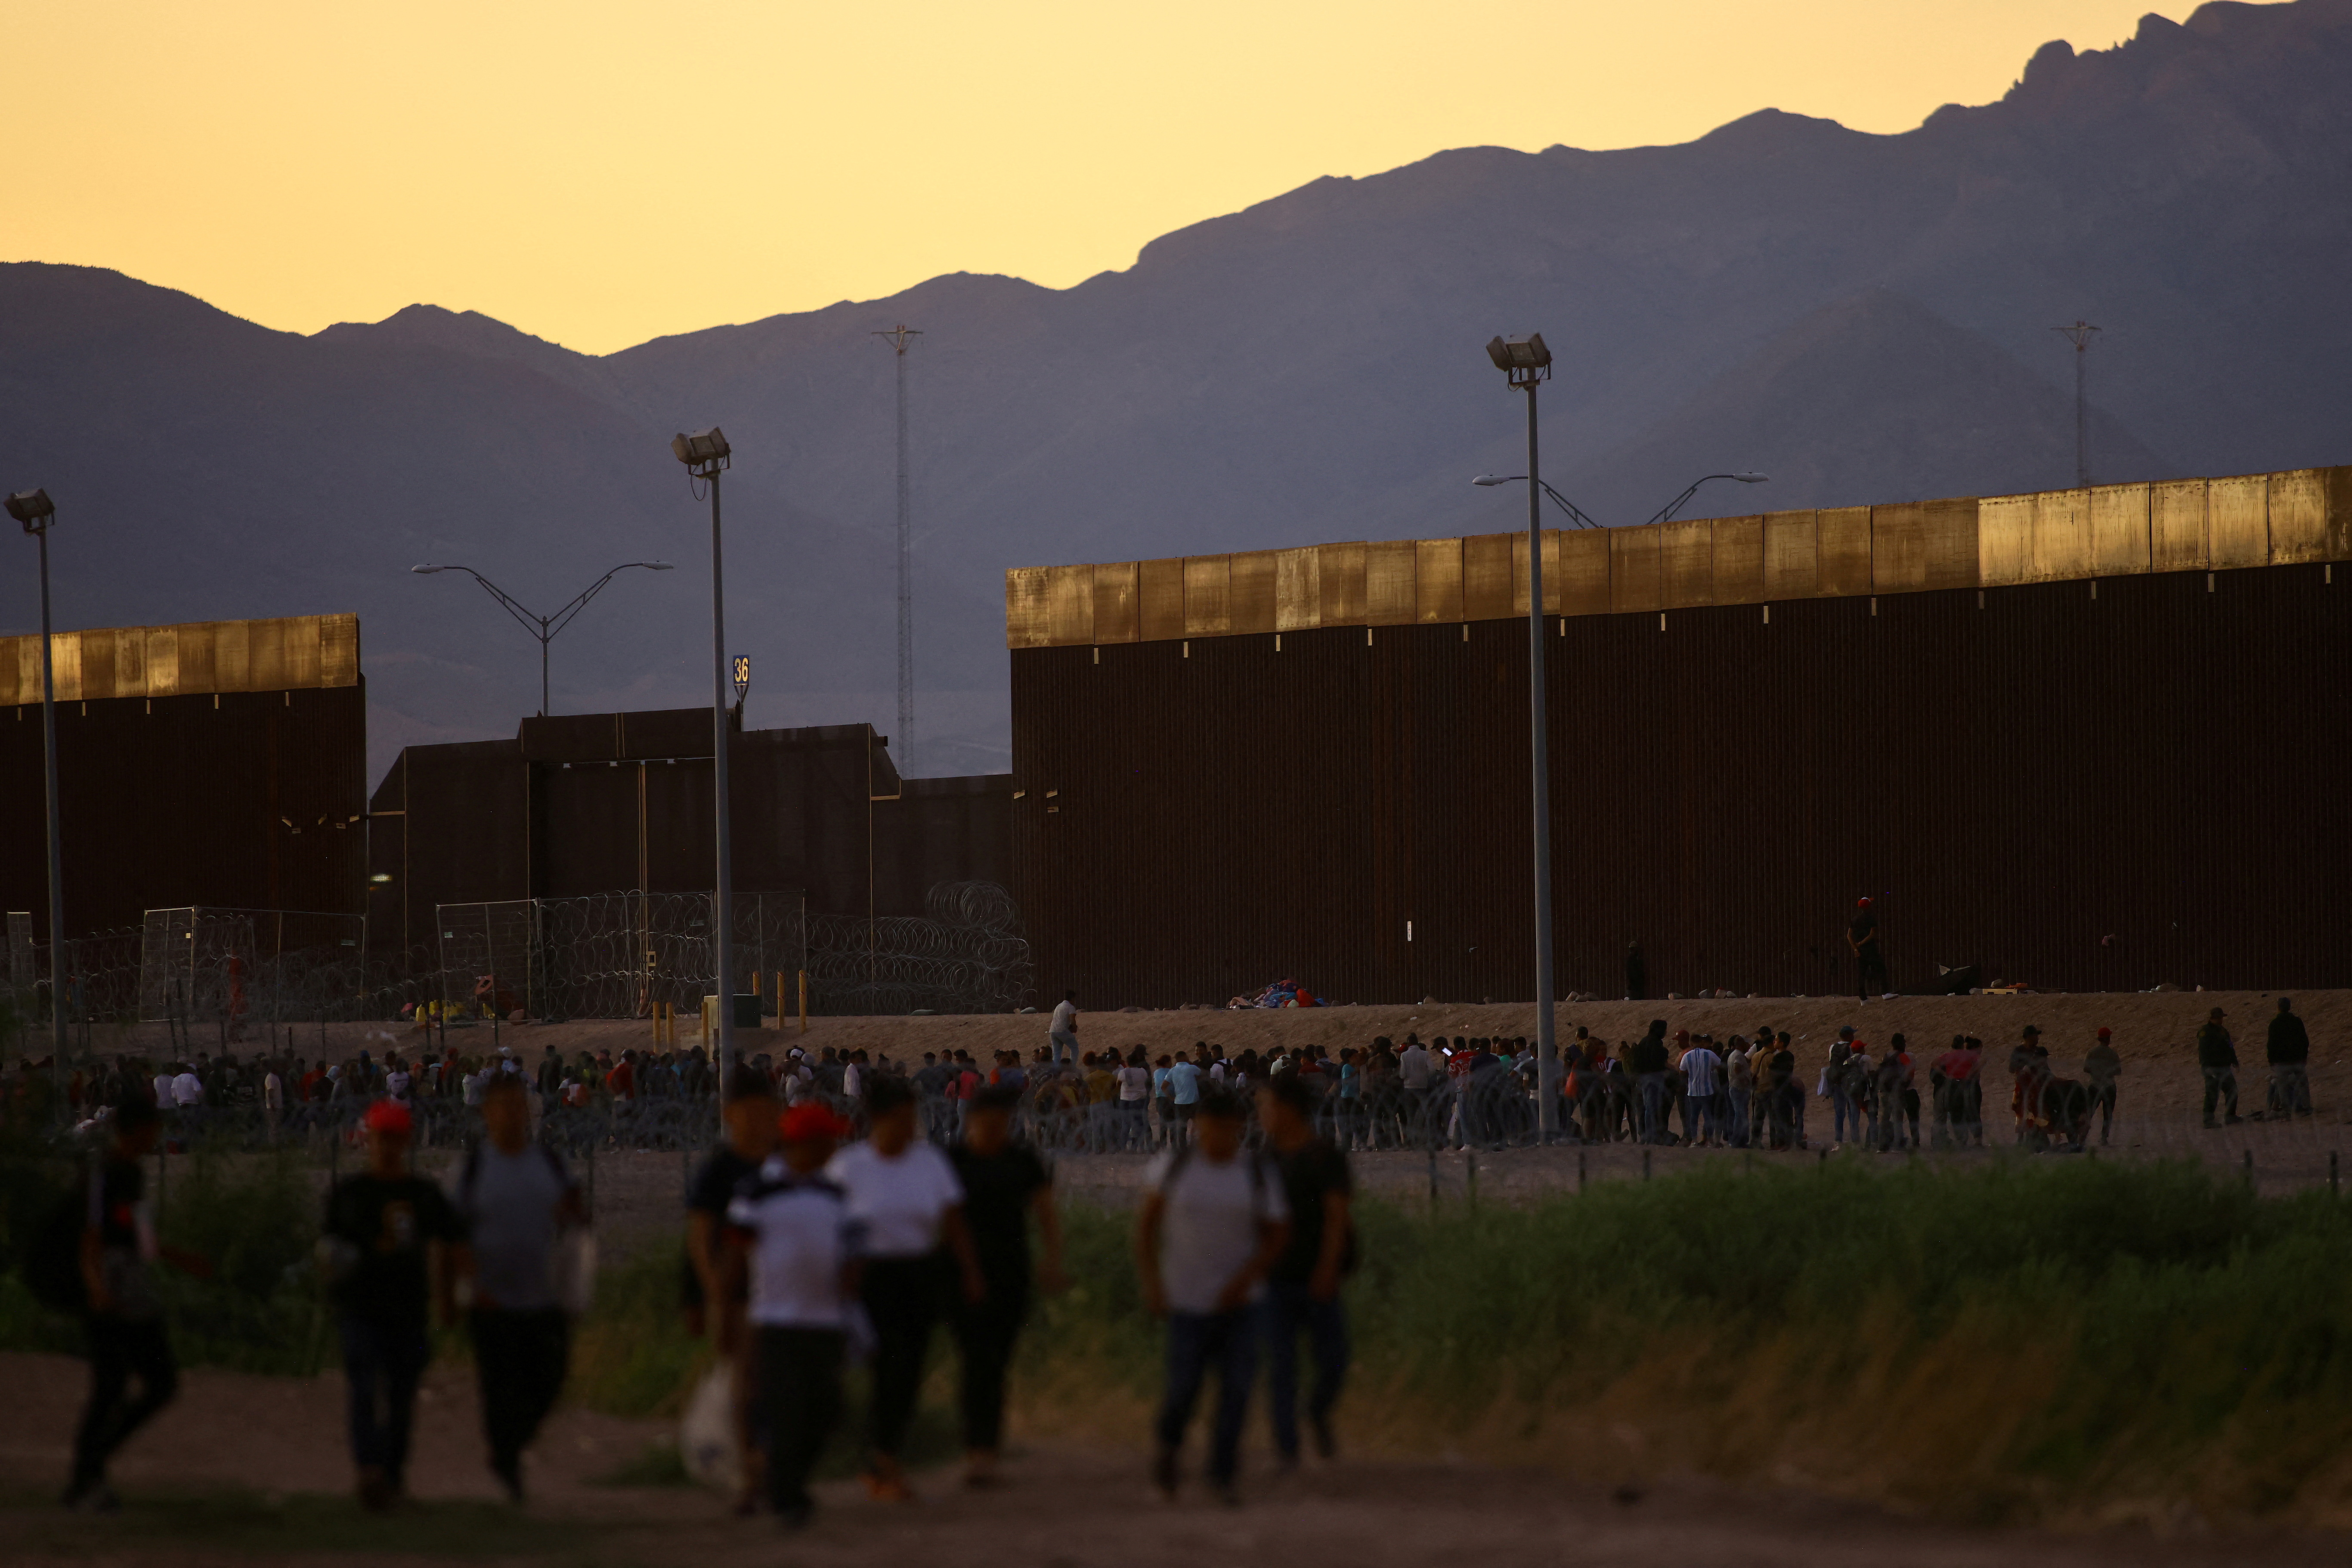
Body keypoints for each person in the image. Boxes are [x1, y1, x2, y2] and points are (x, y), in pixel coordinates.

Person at [826, 1076, 986, 1501]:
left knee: (907, 1370)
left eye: (910, 1117)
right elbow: (826, 1227)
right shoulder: (848, 1167)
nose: (908, 1126)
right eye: (899, 1118)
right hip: (866, 1279)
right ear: (877, 1119)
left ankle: (883, 1457)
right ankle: (872, 1454)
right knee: (878, 1370)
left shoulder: (929, 1162)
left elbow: (954, 1222)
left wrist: (970, 1272)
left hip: (918, 1274)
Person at [1136, 1089, 1289, 1505]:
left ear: (1240, 1129)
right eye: (1211, 1126)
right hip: (1187, 1300)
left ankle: (1221, 1475)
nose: (1219, 1135)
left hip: (1241, 1303)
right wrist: (1153, 1283)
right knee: (1184, 1387)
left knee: (1237, 1390)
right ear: (1198, 1126)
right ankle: (1168, 1450)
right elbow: (1146, 1227)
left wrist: (1247, 1278)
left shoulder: (1255, 1172)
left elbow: (1277, 1235)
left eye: (1228, 1128)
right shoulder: (1174, 1167)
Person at [62, 1098, 208, 1512]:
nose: (158, 1136)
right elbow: (90, 1236)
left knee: (157, 1383)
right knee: (111, 1386)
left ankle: (93, 1465)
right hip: (108, 1291)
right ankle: (86, 1477)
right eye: (153, 1128)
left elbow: (142, 1240)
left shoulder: (132, 1174)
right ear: (138, 1129)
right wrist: (96, 1288)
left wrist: (184, 1259)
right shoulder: (105, 1174)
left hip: (132, 1291)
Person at [322, 1098, 467, 1509]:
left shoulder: (422, 1194)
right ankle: (370, 1469)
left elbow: (449, 1242)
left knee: (402, 1397)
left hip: (408, 1310)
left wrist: (449, 1298)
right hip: (360, 1309)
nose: (386, 1146)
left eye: (394, 1138)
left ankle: (393, 1474)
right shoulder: (351, 1193)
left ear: (405, 1141)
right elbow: (329, 1249)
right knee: (365, 1388)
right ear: (369, 1139)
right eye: (380, 1138)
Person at [725, 1102, 860, 1529]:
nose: (836, 1146)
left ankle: (789, 1483)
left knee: (826, 1410)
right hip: (776, 1321)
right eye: (829, 1139)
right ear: (809, 1143)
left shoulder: (835, 1193)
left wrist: (850, 1290)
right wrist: (731, 1313)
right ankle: (788, 1497)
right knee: (786, 1411)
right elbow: (735, 1256)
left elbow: (853, 1253)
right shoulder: (756, 1192)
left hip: (826, 1321)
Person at [452, 1072, 583, 1501]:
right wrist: (469, 1286)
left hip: (543, 1298)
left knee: (549, 1377)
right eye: (502, 1106)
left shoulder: (548, 1164)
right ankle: (506, 1459)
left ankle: (511, 1446)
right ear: (487, 1112)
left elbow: (573, 1222)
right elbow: (455, 1236)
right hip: (492, 1301)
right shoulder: (474, 1168)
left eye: (518, 1105)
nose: (511, 1114)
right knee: (500, 1386)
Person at [947, 1084, 1066, 1487]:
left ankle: (986, 1449)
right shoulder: (954, 1160)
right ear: (972, 1122)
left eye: (1002, 1122)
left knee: (997, 1361)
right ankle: (977, 1450)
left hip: (1011, 1273)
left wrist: (1053, 1260)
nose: (995, 1129)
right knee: (976, 1360)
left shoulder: (1023, 1159)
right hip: (962, 1275)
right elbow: (943, 1219)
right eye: (987, 1122)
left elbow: (1046, 1212)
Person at [1256, 1076, 1352, 1468]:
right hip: (1275, 1278)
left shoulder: (1322, 1156)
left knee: (1334, 1359)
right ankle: (1287, 1449)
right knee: (1281, 1367)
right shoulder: (1266, 1158)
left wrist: (1328, 1267)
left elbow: (1337, 1217)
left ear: (1289, 1109)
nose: (1262, 1115)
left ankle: (1317, 1411)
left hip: (1317, 1273)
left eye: (1268, 1106)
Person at [2265, 997, 2312, 1118]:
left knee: (2283, 1087)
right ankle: (2307, 1107)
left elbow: (2271, 1045)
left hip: (2282, 1061)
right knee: (2303, 1084)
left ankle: (2286, 1111)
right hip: (2297, 1059)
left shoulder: (2275, 1024)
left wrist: (2271, 1060)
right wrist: (2304, 1056)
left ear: (2279, 1008)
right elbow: (2304, 1041)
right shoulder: (2297, 1022)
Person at [2197, 1007, 2241, 1128]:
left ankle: (2230, 1116)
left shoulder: (2222, 1031)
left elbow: (2229, 1047)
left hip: (2224, 1067)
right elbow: (2204, 1051)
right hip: (2212, 1068)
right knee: (2212, 1094)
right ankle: (2208, 1120)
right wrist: (2207, 1067)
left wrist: (2234, 1061)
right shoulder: (2205, 1032)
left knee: (2232, 1090)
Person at [1678, 1034, 1723, 1147]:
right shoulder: (1709, 1054)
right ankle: (1711, 1141)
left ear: (1692, 1043)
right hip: (1707, 1090)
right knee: (1708, 1116)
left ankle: (1694, 1140)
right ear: (1701, 1042)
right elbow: (1719, 1064)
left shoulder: (1687, 1056)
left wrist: (1687, 1082)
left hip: (1693, 1091)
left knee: (1694, 1117)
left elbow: (1682, 1071)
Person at [2084, 1028, 2122, 1145]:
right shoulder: (2113, 1054)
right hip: (2109, 1086)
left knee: (2089, 1113)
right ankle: (2104, 1138)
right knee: (2108, 1114)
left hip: (2094, 1086)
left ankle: (2083, 1137)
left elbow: (2086, 1069)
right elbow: (2118, 1071)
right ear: (2108, 1039)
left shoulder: (2091, 1052)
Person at [1849, 897, 1888, 1000]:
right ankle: (1885, 993)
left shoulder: (1855, 919)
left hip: (1860, 951)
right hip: (1870, 949)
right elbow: (1872, 934)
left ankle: (1863, 999)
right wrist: (1861, 943)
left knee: (1861, 974)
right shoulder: (1871, 918)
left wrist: (1856, 948)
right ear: (1869, 906)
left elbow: (1849, 936)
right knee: (1881, 969)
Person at [1049, 990, 1080, 1066]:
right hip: (1062, 1030)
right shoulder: (1070, 1007)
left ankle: (1055, 1069)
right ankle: (1072, 1066)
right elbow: (1073, 1021)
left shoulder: (1059, 1006)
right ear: (1072, 998)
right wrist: (1074, 1028)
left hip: (1053, 1031)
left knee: (1057, 1053)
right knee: (1074, 1048)